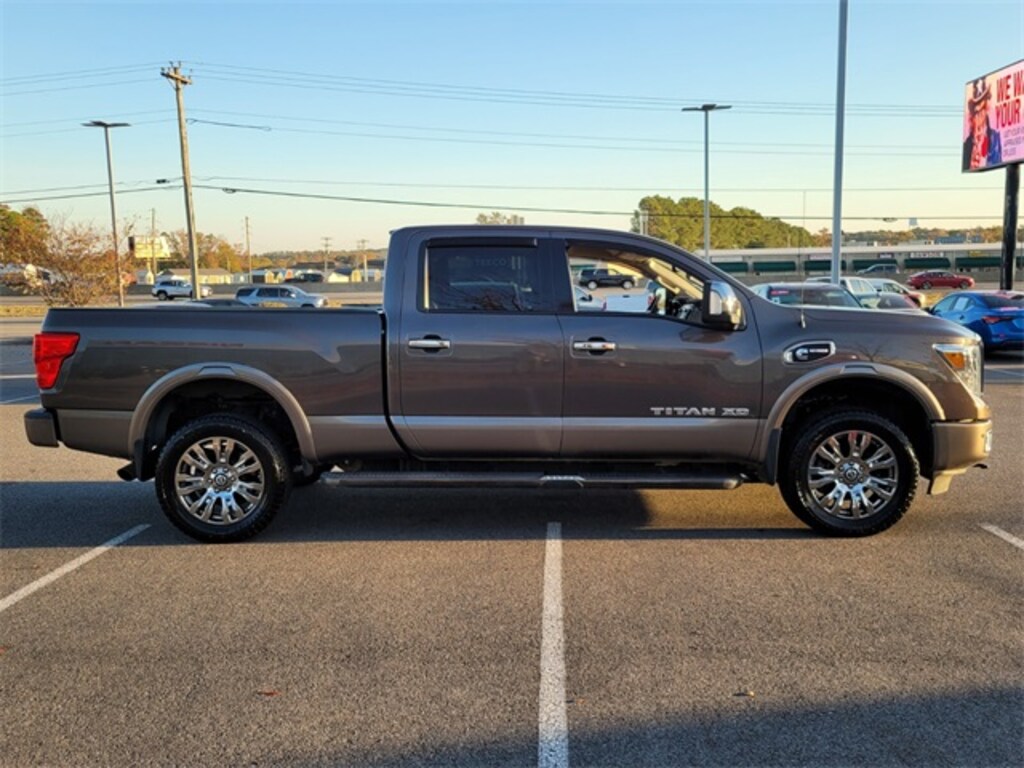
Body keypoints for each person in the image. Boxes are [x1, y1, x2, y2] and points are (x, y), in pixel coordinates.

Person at [963, 77, 1002, 171]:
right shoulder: (968, 143)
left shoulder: (994, 139)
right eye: (975, 112)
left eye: (981, 111)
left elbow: (996, 160)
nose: (978, 115)